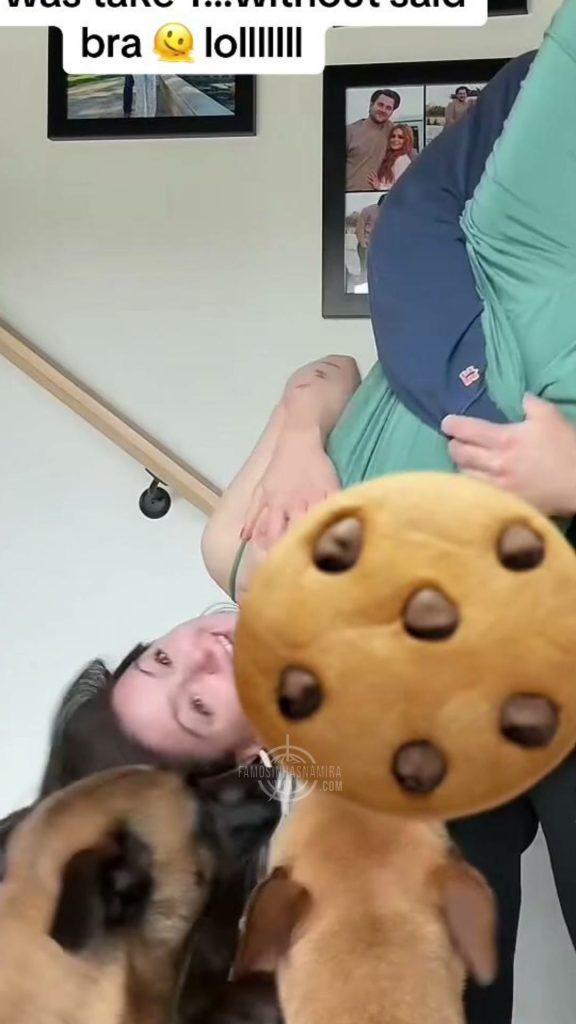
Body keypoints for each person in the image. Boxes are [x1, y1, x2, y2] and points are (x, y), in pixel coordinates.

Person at [203, 5, 576, 1019]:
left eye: (169, 660)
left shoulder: (246, 557)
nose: (203, 656)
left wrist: (296, 429)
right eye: (200, 704)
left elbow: (329, 371)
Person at [346, 88, 401, 191]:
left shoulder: (392, 131)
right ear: (371, 105)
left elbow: (410, 150)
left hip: (376, 193)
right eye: (380, 105)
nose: (383, 110)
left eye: (388, 108)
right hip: (350, 192)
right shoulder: (350, 131)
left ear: (392, 112)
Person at [367, 124, 415, 190]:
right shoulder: (389, 157)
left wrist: (379, 187)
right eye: (393, 136)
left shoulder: (402, 160)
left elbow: (400, 187)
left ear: (406, 140)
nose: (395, 139)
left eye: (400, 137)